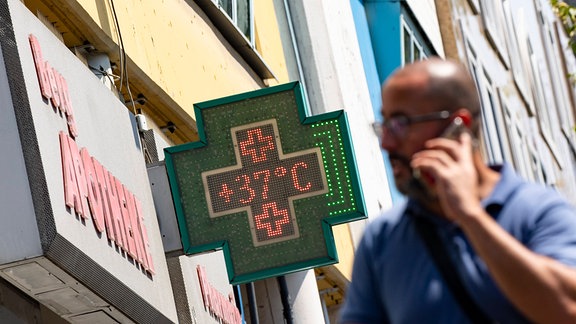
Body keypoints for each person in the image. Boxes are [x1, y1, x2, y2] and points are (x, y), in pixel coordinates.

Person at [339, 58, 576, 323]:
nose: (386, 143)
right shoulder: (381, 239)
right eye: (383, 124)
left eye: (401, 123)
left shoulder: (540, 212)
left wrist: (470, 215)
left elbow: (567, 309)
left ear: (458, 125)